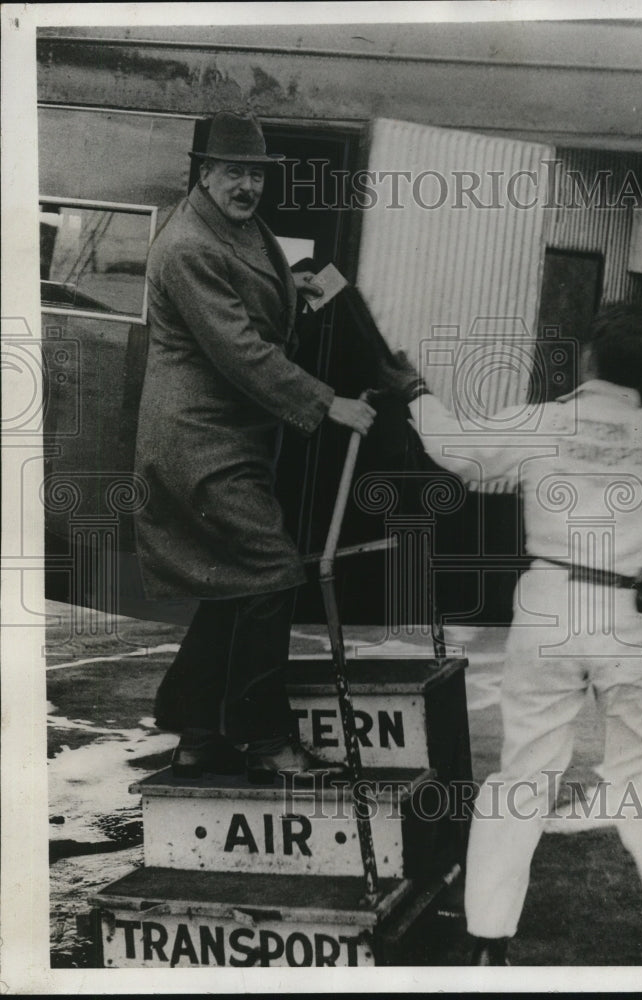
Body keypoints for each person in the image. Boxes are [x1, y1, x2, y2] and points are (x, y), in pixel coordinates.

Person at [378, 304, 642, 965]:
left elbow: (456, 453)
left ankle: (487, 940)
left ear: (588, 356)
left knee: (524, 773)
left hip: (552, 601)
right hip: (631, 611)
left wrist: (415, 392)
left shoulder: (543, 423)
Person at [135, 111, 375, 781]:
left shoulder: (233, 227)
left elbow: (246, 299)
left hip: (230, 437)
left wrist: (291, 293)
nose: (247, 185)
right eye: (233, 172)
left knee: (232, 583)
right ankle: (264, 739)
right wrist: (330, 403)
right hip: (198, 442)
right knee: (269, 572)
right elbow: (239, 350)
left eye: (255, 174)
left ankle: (198, 732)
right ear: (203, 172)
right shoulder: (187, 245)